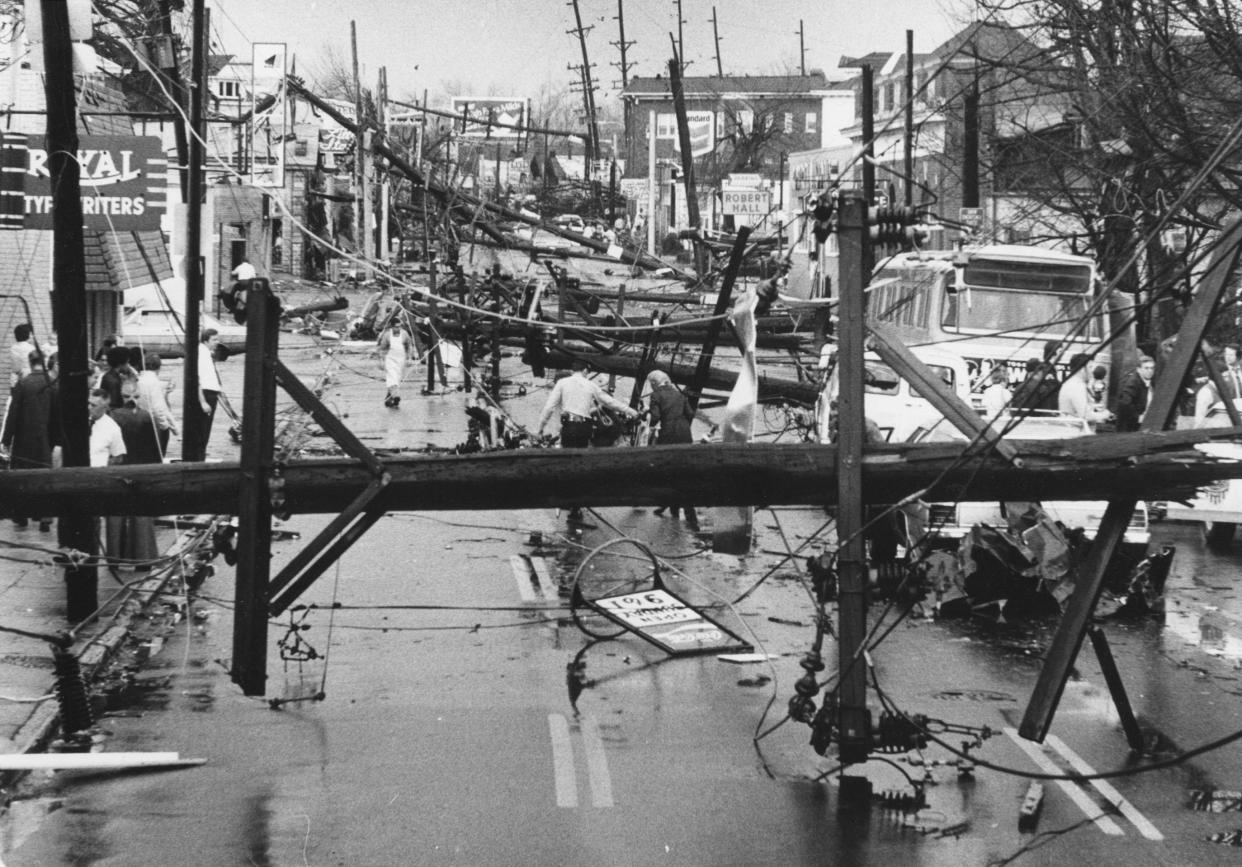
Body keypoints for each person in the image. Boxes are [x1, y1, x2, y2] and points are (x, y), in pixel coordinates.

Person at [536, 358, 639, 522]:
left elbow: (549, 407)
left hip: (569, 426)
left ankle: (567, 500)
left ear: (573, 370)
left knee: (567, 463)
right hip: (584, 428)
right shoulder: (590, 385)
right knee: (580, 465)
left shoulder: (562, 383)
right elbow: (610, 402)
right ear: (585, 371)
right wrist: (631, 412)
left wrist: (540, 429)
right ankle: (576, 507)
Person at [645, 370, 712, 531]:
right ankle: (684, 514)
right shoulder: (680, 395)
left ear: (654, 383)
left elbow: (654, 418)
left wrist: (645, 415)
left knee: (668, 472)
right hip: (684, 435)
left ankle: (673, 508)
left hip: (668, 436)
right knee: (683, 472)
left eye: (651, 384)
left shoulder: (656, 396)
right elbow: (690, 413)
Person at [106, 380, 161, 568]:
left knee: (115, 517)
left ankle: (114, 558)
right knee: (141, 518)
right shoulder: (147, 417)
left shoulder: (112, 416)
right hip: (142, 471)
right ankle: (143, 559)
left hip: (118, 470)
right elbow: (155, 452)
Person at [1, 350, 55, 530]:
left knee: (22, 477)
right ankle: (45, 517)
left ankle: (21, 515)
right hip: (46, 438)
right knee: (45, 477)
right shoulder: (51, 384)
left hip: (24, 439)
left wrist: (6, 439)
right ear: (44, 361)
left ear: (30, 363)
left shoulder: (22, 384)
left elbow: (13, 414)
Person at [188, 329, 222, 460]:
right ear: (205, 340)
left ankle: (199, 456)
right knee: (202, 431)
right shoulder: (201, 354)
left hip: (211, 393)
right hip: (206, 395)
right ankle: (198, 458)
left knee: (204, 430)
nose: (217, 342)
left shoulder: (206, 352)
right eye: (214, 340)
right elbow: (197, 379)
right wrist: (202, 401)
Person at [135, 352, 178, 457]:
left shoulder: (139, 379)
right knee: (158, 455)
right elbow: (159, 407)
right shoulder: (153, 382)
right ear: (158, 367)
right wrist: (165, 426)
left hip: (141, 422)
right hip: (155, 425)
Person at [1057, 353, 1112, 430]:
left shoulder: (1072, 383)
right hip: (1076, 432)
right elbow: (1086, 415)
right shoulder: (1076, 386)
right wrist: (1106, 414)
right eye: (1090, 367)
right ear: (1082, 369)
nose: (1092, 372)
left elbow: (1077, 409)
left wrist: (1093, 407)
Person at [376, 320, 412, 407]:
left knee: (397, 379)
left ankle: (388, 398)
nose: (398, 328)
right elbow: (382, 348)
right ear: (392, 327)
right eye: (396, 327)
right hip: (390, 359)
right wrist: (381, 360)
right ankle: (396, 396)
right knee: (392, 377)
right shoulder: (387, 335)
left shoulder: (404, 334)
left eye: (400, 326)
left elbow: (409, 345)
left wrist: (409, 358)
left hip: (401, 359)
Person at [1116, 355, 1156, 431]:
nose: (1150, 371)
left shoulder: (1150, 382)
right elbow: (1124, 404)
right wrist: (1138, 417)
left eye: (1152, 368)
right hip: (1129, 428)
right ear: (1139, 369)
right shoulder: (1132, 383)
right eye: (1146, 368)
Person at [88, 388, 126, 468]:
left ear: (104, 408)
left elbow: (118, 457)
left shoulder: (112, 428)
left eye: (93, 405)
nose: (89, 407)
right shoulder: (78, 422)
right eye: (88, 403)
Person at [8, 322, 34, 387]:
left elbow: (15, 368)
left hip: (15, 379)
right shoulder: (31, 348)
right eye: (31, 334)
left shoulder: (13, 348)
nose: (32, 336)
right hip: (28, 379)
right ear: (27, 335)